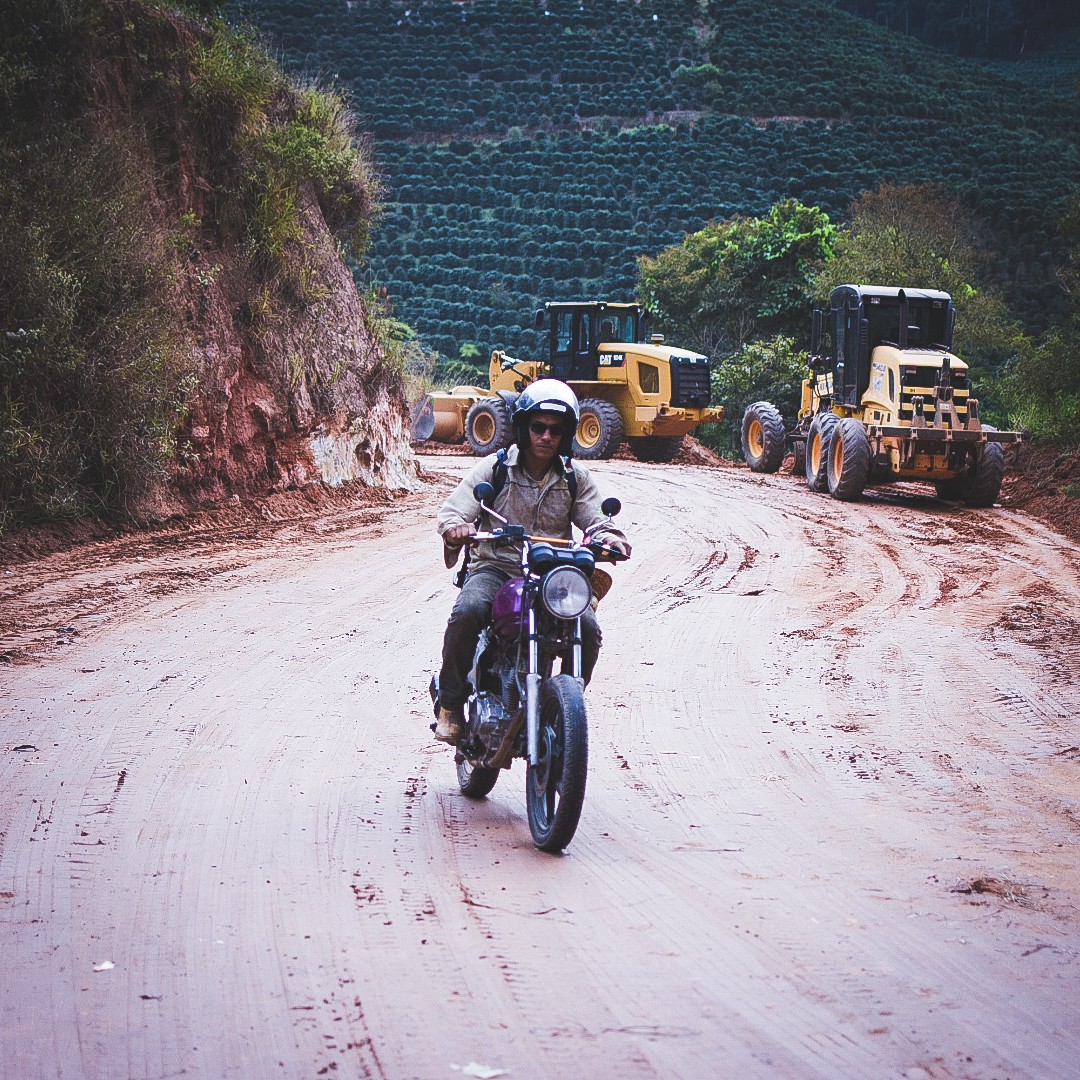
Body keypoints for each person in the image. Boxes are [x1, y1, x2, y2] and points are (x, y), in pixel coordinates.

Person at [433, 379, 632, 744]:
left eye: (555, 431)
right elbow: (453, 512)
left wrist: (611, 537)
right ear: (524, 428)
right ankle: (450, 703)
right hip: (496, 566)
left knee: (586, 625)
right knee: (468, 610)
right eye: (538, 427)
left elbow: (596, 519)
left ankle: (567, 706)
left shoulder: (575, 477)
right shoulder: (494, 470)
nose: (546, 436)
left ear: (566, 434)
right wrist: (457, 529)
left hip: (551, 571)